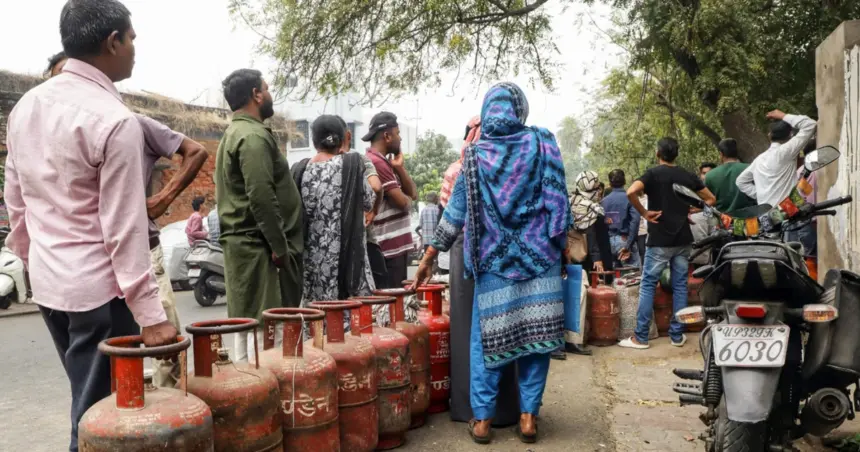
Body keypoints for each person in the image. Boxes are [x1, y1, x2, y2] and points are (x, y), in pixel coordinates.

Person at [5, 1, 178, 450]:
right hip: (98, 295)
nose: (135, 48)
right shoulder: (114, 121)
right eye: (132, 38)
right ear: (112, 42)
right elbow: (123, 228)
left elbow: (16, 203)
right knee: (98, 415)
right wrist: (151, 316)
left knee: (91, 397)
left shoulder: (26, 107)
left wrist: (31, 263)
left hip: (50, 286)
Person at [413, 83, 569, 444]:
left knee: (488, 341)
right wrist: (559, 246)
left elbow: (454, 213)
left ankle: (482, 422)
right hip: (539, 261)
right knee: (537, 339)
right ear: (520, 110)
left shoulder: (475, 155)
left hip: (494, 264)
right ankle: (528, 419)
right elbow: (557, 201)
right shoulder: (541, 142)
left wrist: (428, 256)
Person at [46, 50, 208, 387]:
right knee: (97, 374)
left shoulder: (124, 123)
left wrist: (163, 198)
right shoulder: (44, 134)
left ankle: (171, 412)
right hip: (83, 265)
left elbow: (196, 151)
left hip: (140, 251)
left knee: (164, 340)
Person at [215, 68, 304, 362]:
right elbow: (261, 197)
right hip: (261, 252)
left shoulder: (236, 133)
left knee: (250, 330)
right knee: (268, 337)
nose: (269, 94)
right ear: (256, 94)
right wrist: (279, 248)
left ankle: (252, 397)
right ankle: (265, 402)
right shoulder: (252, 137)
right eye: (266, 88)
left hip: (251, 250)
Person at [442, 116, 520, 428]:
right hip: (503, 250)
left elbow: (450, 216)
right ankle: (505, 410)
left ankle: (469, 408)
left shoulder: (457, 168)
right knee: (505, 324)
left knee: (467, 327)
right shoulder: (512, 166)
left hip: (465, 248)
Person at [618, 138, 715, 350]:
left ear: (657, 153)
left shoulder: (652, 175)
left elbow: (630, 192)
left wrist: (644, 213)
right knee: (680, 285)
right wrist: (690, 209)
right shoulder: (687, 176)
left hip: (659, 239)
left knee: (648, 285)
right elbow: (710, 199)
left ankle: (641, 337)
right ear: (676, 155)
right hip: (683, 239)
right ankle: (677, 335)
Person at [291, 115, 376, 306]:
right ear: (343, 139)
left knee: (318, 324)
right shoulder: (352, 165)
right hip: (349, 269)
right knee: (352, 325)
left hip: (312, 270)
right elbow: (370, 200)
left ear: (313, 141)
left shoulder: (300, 170)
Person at [555, 170, 614, 360]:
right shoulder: (593, 208)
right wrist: (597, 258)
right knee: (578, 297)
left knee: (559, 298)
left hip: (559, 257)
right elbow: (593, 237)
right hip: (580, 260)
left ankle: (559, 342)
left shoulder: (567, 202)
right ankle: (573, 340)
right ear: (595, 188)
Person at [364, 112, 418, 287]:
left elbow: (413, 194)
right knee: (392, 307)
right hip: (388, 249)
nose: (400, 138)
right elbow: (403, 203)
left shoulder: (384, 162)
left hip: (393, 249)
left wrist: (399, 168)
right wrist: (407, 200)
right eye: (398, 133)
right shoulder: (377, 163)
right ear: (387, 136)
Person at [736, 110, 817, 207]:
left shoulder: (759, 160)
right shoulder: (785, 151)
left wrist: (762, 195)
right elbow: (810, 124)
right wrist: (783, 115)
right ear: (790, 135)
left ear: (769, 135)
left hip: (767, 217)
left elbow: (740, 181)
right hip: (789, 213)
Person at [704, 138, 755, 216]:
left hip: (725, 222)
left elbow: (708, 201)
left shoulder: (710, 176)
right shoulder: (750, 169)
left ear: (721, 154)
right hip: (751, 219)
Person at [601, 169, 640, 269]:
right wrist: (628, 245)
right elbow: (635, 221)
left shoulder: (604, 201)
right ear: (625, 181)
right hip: (624, 240)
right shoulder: (630, 198)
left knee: (616, 278)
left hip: (609, 242)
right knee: (632, 277)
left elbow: (605, 223)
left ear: (610, 183)